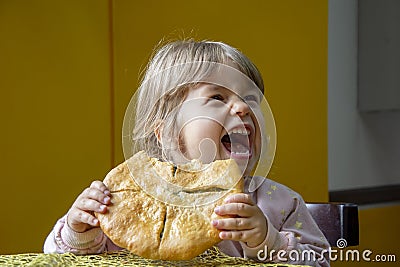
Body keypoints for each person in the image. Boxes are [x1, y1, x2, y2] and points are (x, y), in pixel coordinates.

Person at [44, 39, 330, 266]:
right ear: (167, 132)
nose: (243, 108)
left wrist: (269, 242)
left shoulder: (279, 203)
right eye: (218, 97)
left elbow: (318, 261)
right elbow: (59, 258)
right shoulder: (128, 204)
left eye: (252, 99)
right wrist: (80, 230)